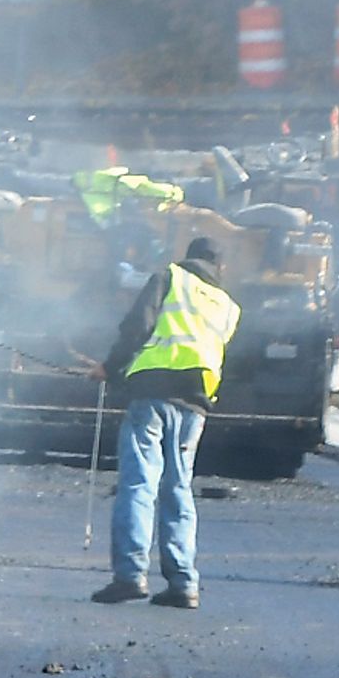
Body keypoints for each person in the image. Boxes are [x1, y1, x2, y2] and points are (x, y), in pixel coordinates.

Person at [92, 234, 239, 610]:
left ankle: (129, 576)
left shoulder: (171, 276)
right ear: (220, 267)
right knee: (178, 488)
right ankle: (183, 583)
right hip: (196, 402)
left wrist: (110, 367)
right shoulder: (227, 305)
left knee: (140, 482)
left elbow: (137, 326)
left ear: (189, 258)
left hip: (153, 392)